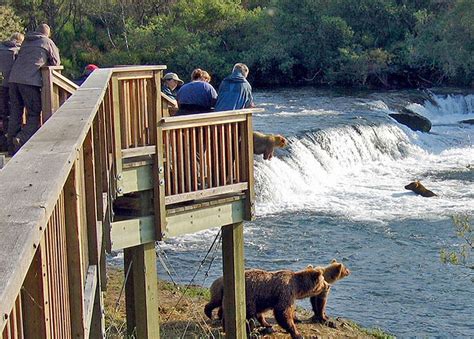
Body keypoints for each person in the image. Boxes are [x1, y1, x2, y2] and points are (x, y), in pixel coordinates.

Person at [7, 23, 60, 154]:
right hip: (29, 81)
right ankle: (21, 138)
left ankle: (10, 147)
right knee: (34, 112)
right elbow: (56, 62)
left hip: (13, 80)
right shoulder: (47, 42)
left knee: (15, 112)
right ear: (48, 34)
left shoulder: (25, 41)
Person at [0, 32, 24, 151]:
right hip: (13, 85)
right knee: (14, 113)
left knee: (4, 115)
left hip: (2, 84)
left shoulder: (1, 49)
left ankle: (4, 142)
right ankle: (12, 143)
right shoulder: (18, 51)